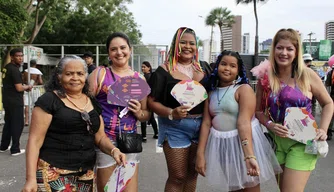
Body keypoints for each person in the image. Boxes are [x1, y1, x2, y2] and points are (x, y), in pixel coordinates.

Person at [22, 56, 126, 192]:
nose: (75, 78)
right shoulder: (49, 101)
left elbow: (100, 138)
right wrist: (31, 179)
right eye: (69, 74)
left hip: (86, 174)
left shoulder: (92, 102)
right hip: (54, 173)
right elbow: (34, 141)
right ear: (59, 77)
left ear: (85, 76)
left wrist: (114, 150)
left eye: (80, 74)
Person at [255, 28, 333, 192]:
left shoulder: (307, 75)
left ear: (296, 52)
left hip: (303, 142)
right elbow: (258, 111)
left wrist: (324, 129)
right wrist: (269, 124)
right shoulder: (266, 76)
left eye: (289, 49)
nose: (284, 53)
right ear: (273, 49)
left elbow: (328, 103)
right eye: (280, 48)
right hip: (276, 141)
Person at [195, 50, 281, 192]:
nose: (227, 68)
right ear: (217, 66)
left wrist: (249, 155)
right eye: (223, 64)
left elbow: (243, 122)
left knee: (249, 188)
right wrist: (200, 154)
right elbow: (206, 123)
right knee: (233, 187)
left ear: (238, 70)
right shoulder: (211, 92)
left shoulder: (243, 89)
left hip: (244, 145)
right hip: (223, 146)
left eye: (232, 66)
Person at [147, 27, 211, 192]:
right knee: (178, 176)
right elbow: (151, 102)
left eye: (192, 43)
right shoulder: (164, 70)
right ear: (175, 44)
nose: (188, 46)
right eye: (183, 42)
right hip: (175, 127)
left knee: (192, 174)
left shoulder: (204, 68)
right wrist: (171, 113)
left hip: (202, 127)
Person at [88, 32, 150, 192]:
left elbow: (146, 115)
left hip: (129, 142)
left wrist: (138, 112)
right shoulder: (100, 75)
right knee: (108, 189)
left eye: (123, 48)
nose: (119, 52)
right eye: (113, 49)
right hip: (105, 141)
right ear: (108, 53)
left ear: (130, 50)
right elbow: (85, 105)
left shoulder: (139, 79)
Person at [0, 48, 32, 156]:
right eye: (18, 56)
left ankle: (3, 146)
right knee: (17, 124)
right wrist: (28, 86)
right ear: (12, 57)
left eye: (21, 56)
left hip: (7, 99)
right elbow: (18, 88)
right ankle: (15, 149)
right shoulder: (14, 70)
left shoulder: (6, 68)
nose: (20, 58)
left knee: (8, 123)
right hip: (15, 100)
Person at [141, 61, 158, 142]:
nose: (142, 68)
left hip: (145, 99)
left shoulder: (144, 77)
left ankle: (144, 136)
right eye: (142, 67)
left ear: (149, 68)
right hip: (151, 99)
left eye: (144, 67)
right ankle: (156, 133)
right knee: (151, 117)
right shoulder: (151, 76)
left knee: (143, 117)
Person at [23, 59, 43, 126]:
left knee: (27, 105)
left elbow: (23, 80)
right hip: (35, 89)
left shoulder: (26, 71)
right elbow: (40, 82)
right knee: (36, 105)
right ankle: (35, 120)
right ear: (35, 64)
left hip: (26, 88)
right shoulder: (38, 71)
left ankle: (26, 121)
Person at [325, 64, 334, 140]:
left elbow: (327, 85)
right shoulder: (331, 73)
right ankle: (329, 131)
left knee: (331, 115)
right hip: (332, 97)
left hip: (332, 96)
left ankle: (329, 132)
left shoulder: (331, 72)